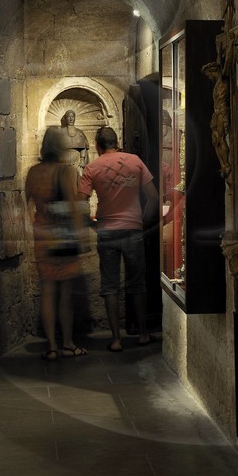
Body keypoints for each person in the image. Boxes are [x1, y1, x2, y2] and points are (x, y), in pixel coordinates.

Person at [77, 126, 157, 351]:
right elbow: (153, 197)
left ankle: (116, 339)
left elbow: (81, 201)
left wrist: (91, 224)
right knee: (138, 284)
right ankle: (142, 333)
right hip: (133, 229)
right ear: (117, 141)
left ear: (97, 145)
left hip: (107, 231)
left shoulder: (92, 168)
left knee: (110, 286)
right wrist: (142, 221)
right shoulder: (135, 161)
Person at [24, 125, 91, 359]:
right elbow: (73, 206)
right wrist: (81, 234)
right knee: (65, 294)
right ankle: (68, 343)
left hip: (42, 237)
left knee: (48, 292)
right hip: (62, 237)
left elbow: (28, 204)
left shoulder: (33, 172)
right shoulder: (66, 172)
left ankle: (51, 346)